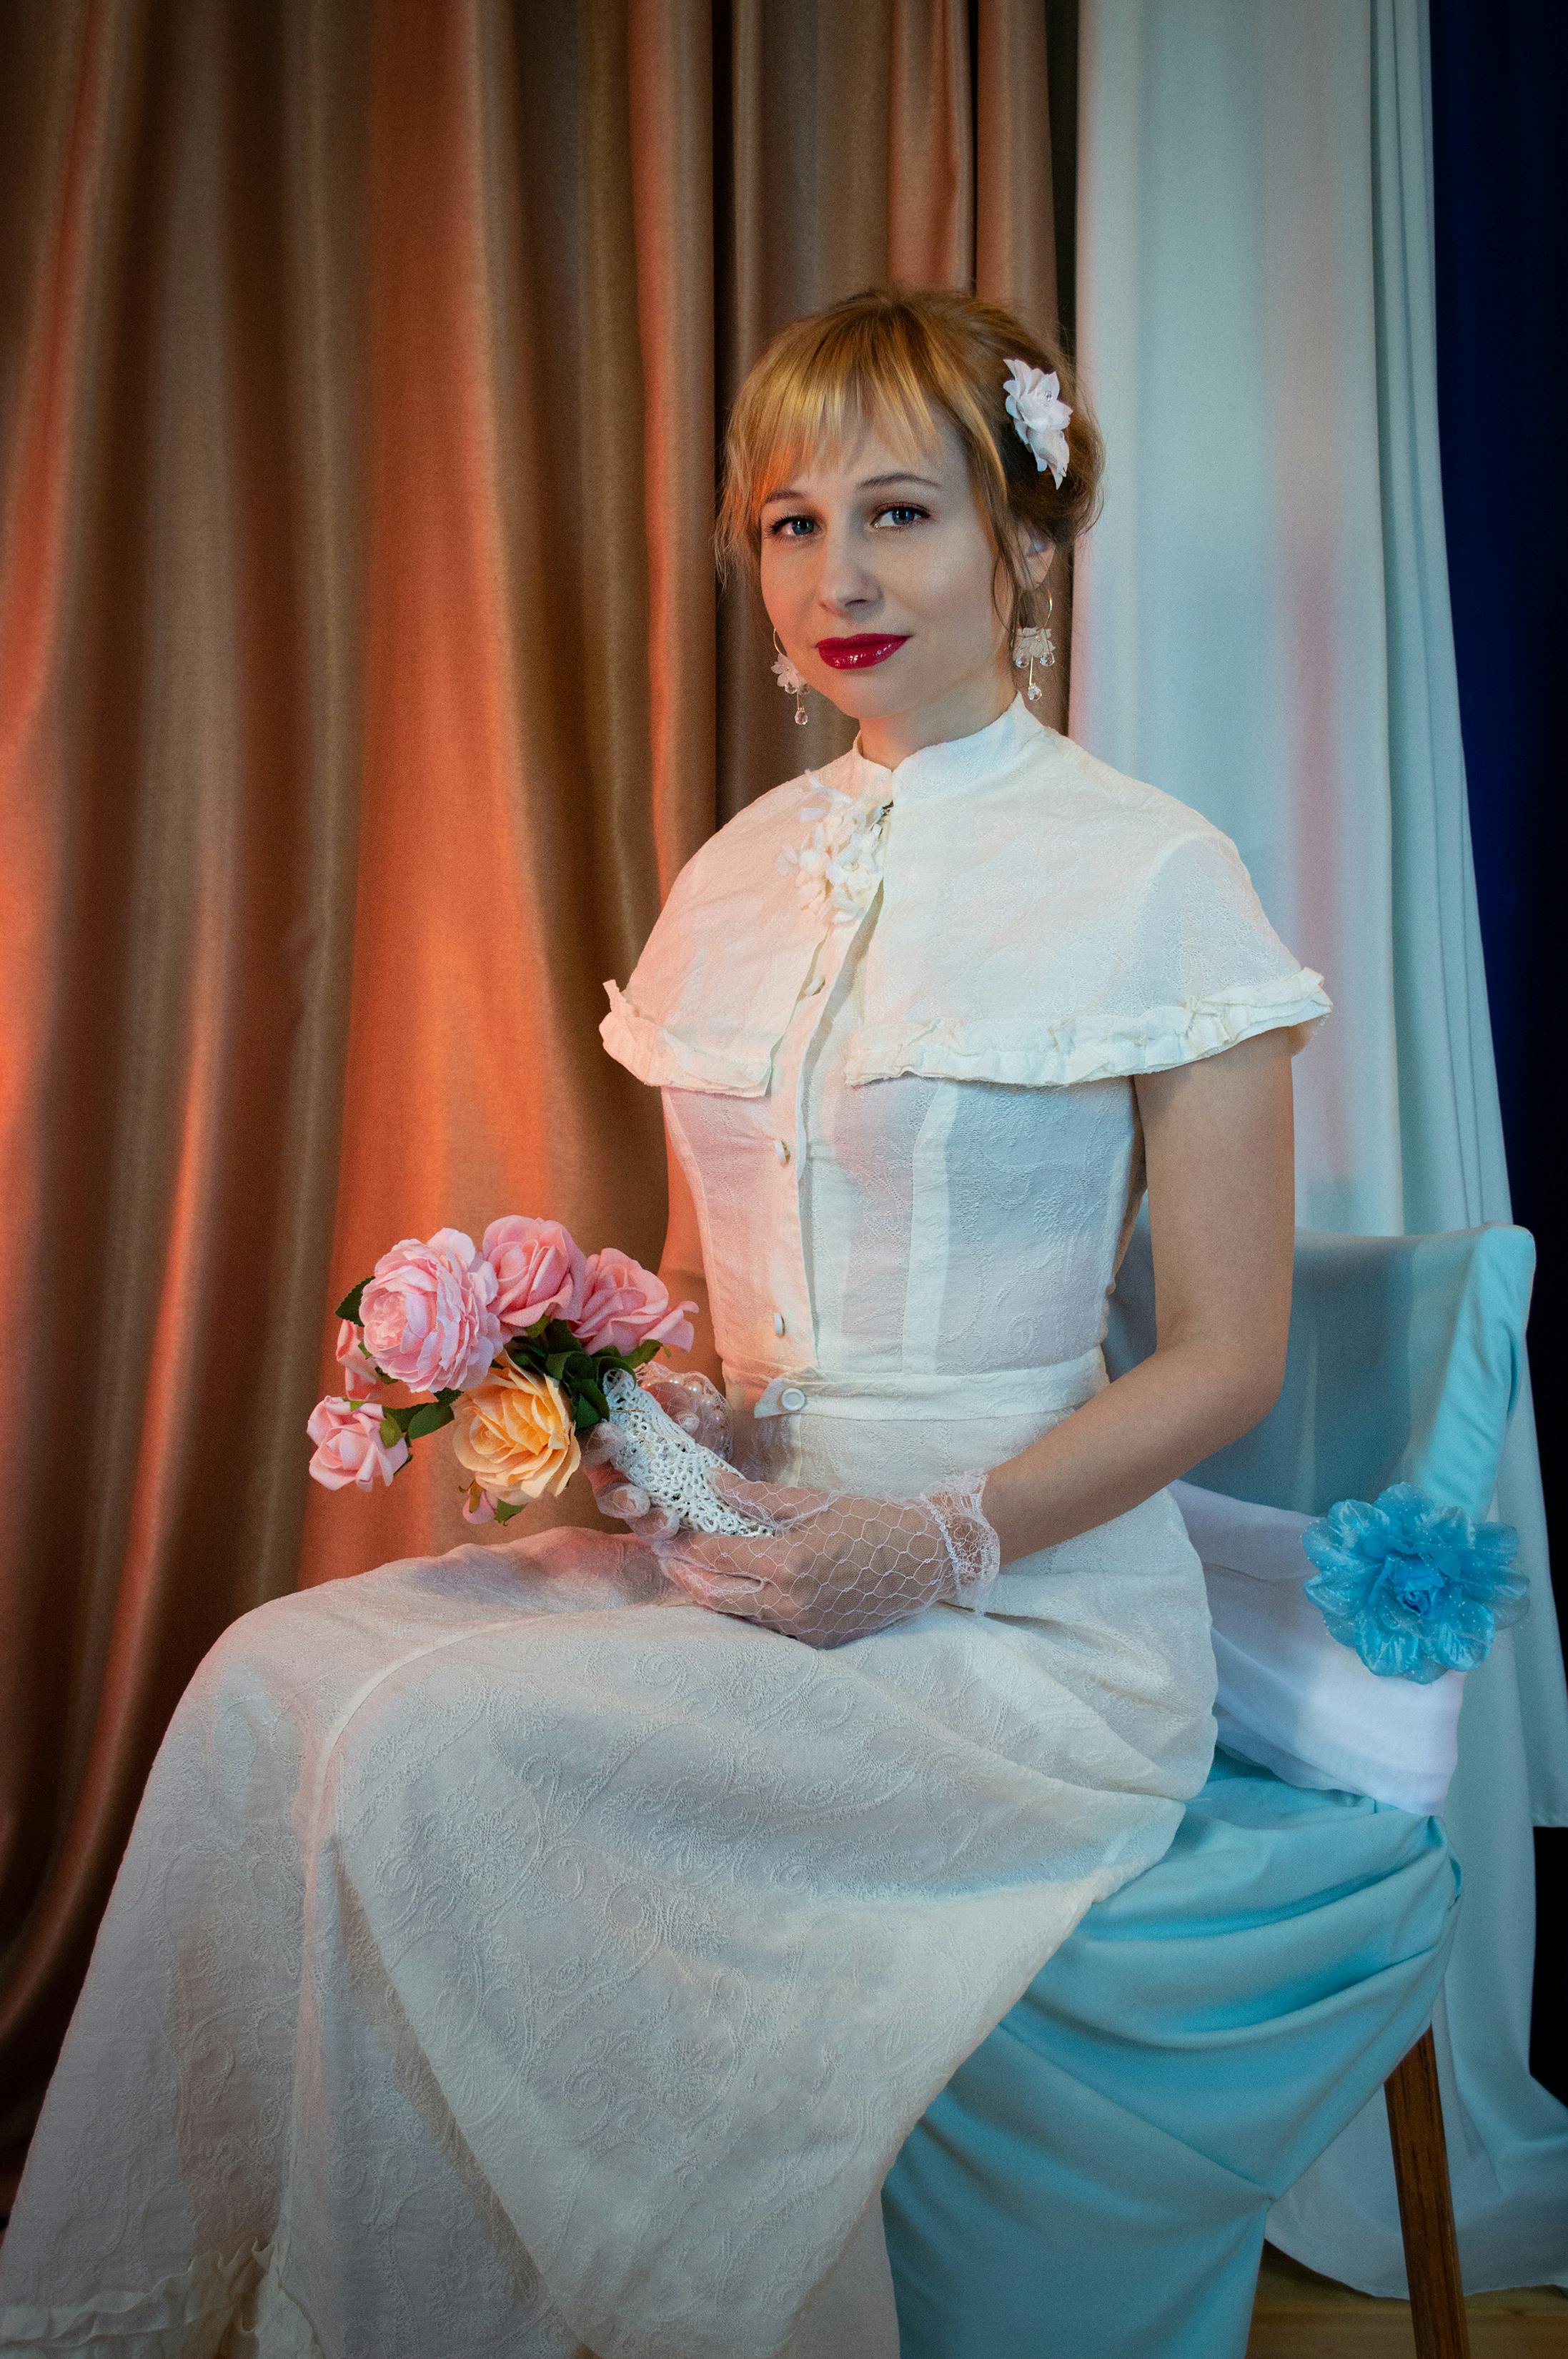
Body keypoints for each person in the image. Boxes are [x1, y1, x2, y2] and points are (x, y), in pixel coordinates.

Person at [0, 287, 1329, 2359]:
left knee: (444, 1751)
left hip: (1027, 1626)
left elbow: (1222, 1353)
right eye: (788, 525)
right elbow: (716, 1292)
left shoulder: (1154, 870)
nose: (839, 577)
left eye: (900, 512)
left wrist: (943, 1539)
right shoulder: (735, 870)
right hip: (747, 1548)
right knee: (270, 1669)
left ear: (1026, 533)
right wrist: (621, 1407)